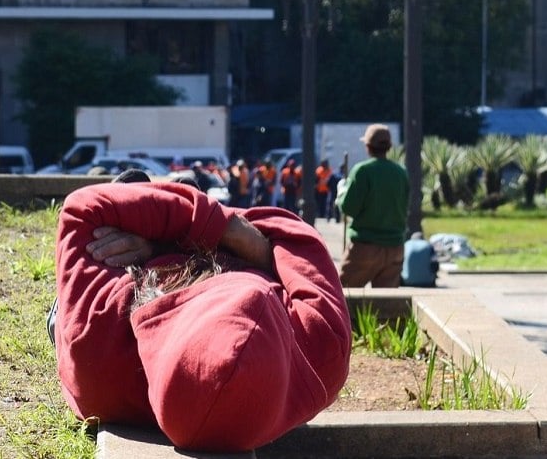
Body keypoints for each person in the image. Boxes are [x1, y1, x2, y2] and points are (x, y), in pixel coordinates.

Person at [49, 176, 351, 452]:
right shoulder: (322, 351)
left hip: (99, 300)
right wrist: (236, 241)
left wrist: (205, 234)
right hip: (166, 272)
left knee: (134, 192)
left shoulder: (97, 340)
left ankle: (164, 197)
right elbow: (299, 236)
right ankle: (170, 200)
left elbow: (85, 207)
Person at [337, 124, 409, 287]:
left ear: (368, 146)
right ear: (389, 147)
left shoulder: (362, 171)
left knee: (345, 298)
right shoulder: (400, 172)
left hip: (365, 246)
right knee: (386, 305)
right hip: (395, 248)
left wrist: (341, 193)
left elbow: (348, 207)